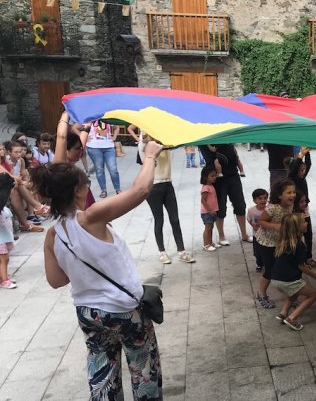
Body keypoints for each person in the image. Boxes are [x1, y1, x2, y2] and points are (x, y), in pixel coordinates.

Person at [31, 140, 164, 400]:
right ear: (79, 192)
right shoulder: (91, 217)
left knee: (103, 375)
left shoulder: (52, 235)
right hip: (124, 311)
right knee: (143, 371)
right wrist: (149, 156)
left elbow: (56, 281)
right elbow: (141, 190)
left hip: (89, 314)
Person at [272, 213, 316, 331]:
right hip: (288, 279)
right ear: (297, 227)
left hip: (276, 277)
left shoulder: (284, 241)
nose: (307, 223)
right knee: (313, 294)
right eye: (304, 222)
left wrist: (308, 262)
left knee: (295, 292)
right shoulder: (299, 244)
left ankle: (283, 313)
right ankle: (292, 318)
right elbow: (301, 267)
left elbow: (295, 260)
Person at [147, 143, 194, 264]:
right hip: (153, 186)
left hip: (168, 184)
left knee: (175, 219)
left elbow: (173, 143)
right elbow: (144, 141)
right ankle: (162, 252)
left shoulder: (165, 141)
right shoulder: (147, 144)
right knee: (159, 220)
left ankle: (181, 250)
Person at [255, 180, 297, 309]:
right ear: (279, 195)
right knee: (270, 270)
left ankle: (290, 295)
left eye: (294, 192)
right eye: (289, 192)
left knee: (285, 268)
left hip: (281, 241)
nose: (293, 195)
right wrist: (274, 226)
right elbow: (260, 221)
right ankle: (261, 294)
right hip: (266, 243)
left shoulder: (290, 204)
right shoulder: (272, 207)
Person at [199, 144, 249, 244]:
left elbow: (234, 154)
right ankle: (221, 236)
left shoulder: (227, 140)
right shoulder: (205, 142)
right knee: (220, 207)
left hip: (233, 174)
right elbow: (210, 157)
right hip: (218, 178)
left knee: (240, 204)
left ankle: (244, 234)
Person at [2, 140, 48, 231]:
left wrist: (26, 182)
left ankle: (32, 214)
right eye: (16, 152)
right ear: (9, 152)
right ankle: (36, 209)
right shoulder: (6, 162)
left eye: (20, 151)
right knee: (17, 189)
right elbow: (9, 177)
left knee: (31, 185)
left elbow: (24, 174)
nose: (19, 154)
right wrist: (22, 182)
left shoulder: (21, 161)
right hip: (9, 185)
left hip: (16, 183)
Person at [54, 112, 95, 209]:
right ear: (66, 151)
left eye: (81, 148)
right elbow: (62, 136)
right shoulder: (60, 166)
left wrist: (90, 119)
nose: (81, 150)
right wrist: (66, 111)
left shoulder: (72, 164)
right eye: (77, 149)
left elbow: (83, 138)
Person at [86, 120, 121, 198]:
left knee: (113, 169)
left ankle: (117, 188)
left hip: (109, 146)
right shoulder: (90, 117)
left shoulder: (107, 117)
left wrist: (114, 138)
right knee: (99, 170)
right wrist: (85, 137)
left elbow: (116, 127)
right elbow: (76, 128)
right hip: (94, 147)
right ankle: (103, 190)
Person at [200, 166, 222, 252]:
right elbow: (203, 200)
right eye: (212, 176)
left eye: (215, 176)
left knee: (211, 227)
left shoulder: (211, 186)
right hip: (207, 212)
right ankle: (206, 245)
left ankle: (210, 242)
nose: (214, 178)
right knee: (208, 228)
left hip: (212, 211)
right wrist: (210, 210)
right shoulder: (206, 188)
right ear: (205, 177)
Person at [0, 174, 16, 289]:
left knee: (5, 258)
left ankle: (3, 276)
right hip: (0, 239)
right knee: (4, 259)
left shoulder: (3, 206)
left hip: (4, 236)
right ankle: (4, 280)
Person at [247, 188, 269, 272]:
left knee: (267, 250)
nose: (263, 200)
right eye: (260, 198)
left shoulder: (269, 209)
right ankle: (259, 263)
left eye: (265, 198)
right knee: (257, 251)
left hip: (267, 234)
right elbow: (248, 219)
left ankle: (267, 263)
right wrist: (252, 225)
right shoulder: (251, 210)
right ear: (254, 200)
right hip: (257, 235)